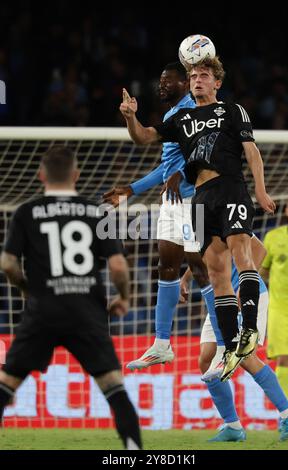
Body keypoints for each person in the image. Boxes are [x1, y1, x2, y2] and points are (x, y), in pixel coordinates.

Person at [119, 56, 276, 380]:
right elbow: (145, 137)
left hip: (231, 188)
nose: (198, 79)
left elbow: (251, 151)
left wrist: (260, 191)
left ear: (217, 82)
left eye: (204, 75)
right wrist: (131, 118)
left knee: (242, 255)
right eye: (193, 75)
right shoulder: (182, 117)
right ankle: (232, 343)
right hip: (201, 199)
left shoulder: (232, 111)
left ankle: (248, 331)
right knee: (216, 272)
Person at [0, 146, 142, 450]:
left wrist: (26, 289)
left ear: (41, 175)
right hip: (86, 311)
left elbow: (8, 264)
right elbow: (118, 266)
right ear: (76, 175)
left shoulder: (27, 212)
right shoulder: (96, 212)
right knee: (113, 387)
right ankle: (134, 451)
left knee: (7, 383)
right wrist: (124, 298)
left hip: (42, 311)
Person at [104, 62, 208, 370]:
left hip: (196, 200)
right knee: (166, 267)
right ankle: (162, 344)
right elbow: (155, 152)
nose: (161, 87)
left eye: (168, 82)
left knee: (202, 270)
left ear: (186, 83)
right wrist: (131, 189)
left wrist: (181, 172)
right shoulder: (171, 115)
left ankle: (228, 340)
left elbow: (206, 153)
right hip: (172, 202)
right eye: (159, 82)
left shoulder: (196, 111)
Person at [181, 234, 288, 441]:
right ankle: (232, 425)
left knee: (242, 354)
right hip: (219, 297)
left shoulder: (225, 212)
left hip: (244, 295)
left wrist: (245, 287)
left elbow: (260, 250)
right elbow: (204, 256)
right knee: (206, 359)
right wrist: (185, 279)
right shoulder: (196, 222)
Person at [260, 192, 288, 415]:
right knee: (284, 359)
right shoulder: (273, 238)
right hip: (280, 310)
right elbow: (263, 270)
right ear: (286, 210)